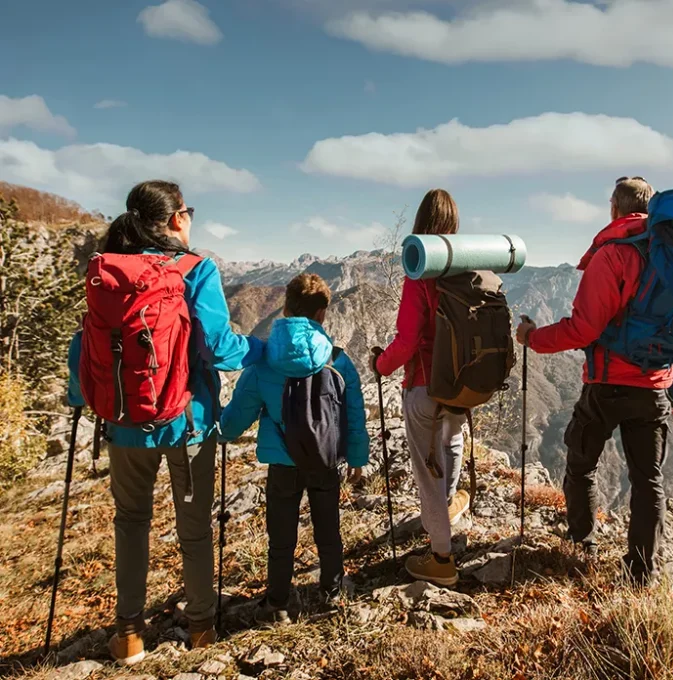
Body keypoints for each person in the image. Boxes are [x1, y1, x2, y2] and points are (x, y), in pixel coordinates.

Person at [68, 180, 264, 664]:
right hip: (188, 423)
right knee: (194, 529)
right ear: (177, 218)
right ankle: (201, 629)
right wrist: (261, 349)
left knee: (130, 522)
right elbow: (218, 348)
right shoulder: (197, 269)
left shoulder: (107, 270)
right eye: (188, 210)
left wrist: (82, 397)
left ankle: (130, 633)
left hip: (124, 423)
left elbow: (87, 344)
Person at [516, 176, 671, 585]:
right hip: (656, 383)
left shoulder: (614, 255)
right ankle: (641, 574)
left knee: (581, 463)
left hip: (608, 384)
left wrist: (534, 338)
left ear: (614, 208)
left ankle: (582, 543)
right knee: (648, 479)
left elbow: (583, 329)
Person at [220, 273, 369, 623]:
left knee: (281, 535)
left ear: (285, 309)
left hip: (282, 461)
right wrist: (358, 459)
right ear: (322, 315)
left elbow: (240, 412)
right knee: (328, 529)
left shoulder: (263, 360)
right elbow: (354, 414)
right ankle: (332, 591)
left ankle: (277, 603)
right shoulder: (339, 359)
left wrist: (222, 432)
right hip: (324, 458)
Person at [370, 188, 469, 588]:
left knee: (429, 471)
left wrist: (381, 364)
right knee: (452, 445)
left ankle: (441, 558)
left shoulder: (420, 274)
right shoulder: (466, 270)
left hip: (426, 384)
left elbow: (408, 341)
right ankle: (447, 508)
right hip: (462, 384)